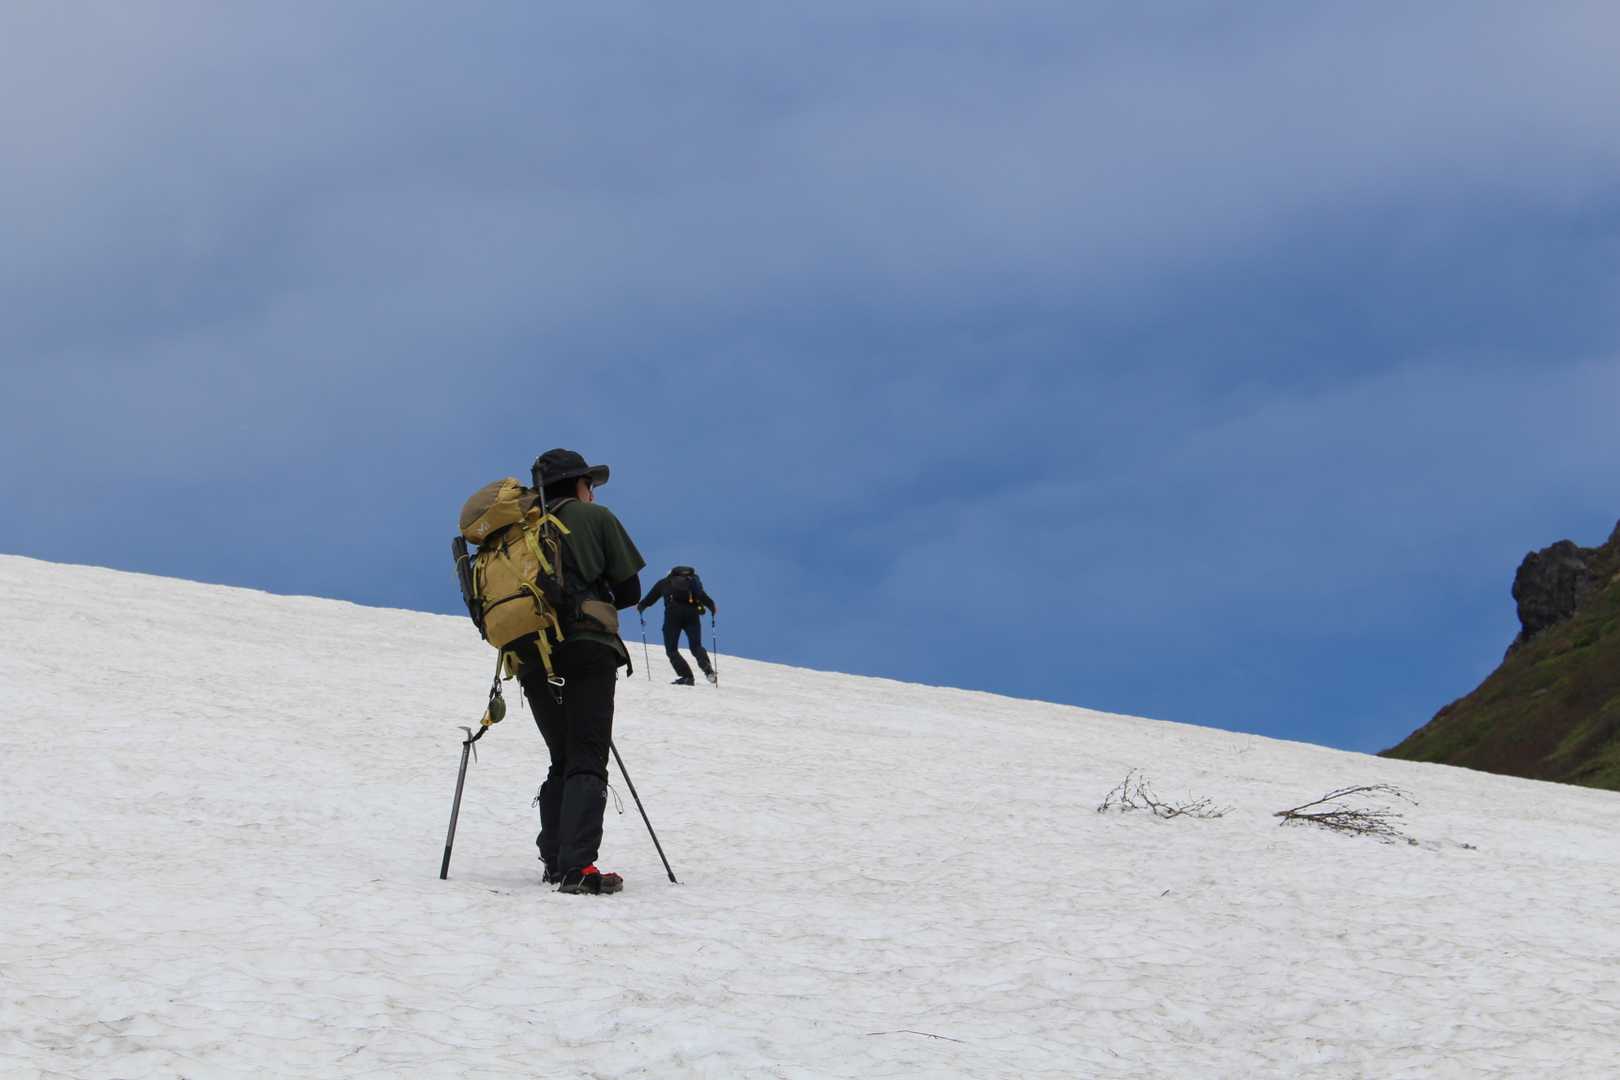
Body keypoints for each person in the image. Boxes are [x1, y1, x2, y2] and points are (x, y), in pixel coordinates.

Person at [511, 448, 645, 895]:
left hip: (532, 655)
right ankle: (577, 868)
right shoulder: (595, 518)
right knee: (587, 755)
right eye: (590, 484)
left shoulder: (520, 531)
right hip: (587, 647)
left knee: (563, 756)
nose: (593, 493)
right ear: (577, 484)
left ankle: (555, 862)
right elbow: (630, 590)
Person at [637, 565, 718, 686]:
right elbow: (702, 596)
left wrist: (641, 606)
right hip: (692, 615)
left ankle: (687, 677)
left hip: (673, 615)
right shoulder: (692, 583)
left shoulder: (664, 582)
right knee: (696, 646)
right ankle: (707, 669)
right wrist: (712, 606)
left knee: (672, 649)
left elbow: (651, 598)